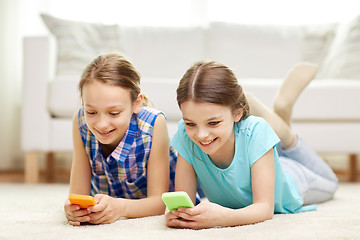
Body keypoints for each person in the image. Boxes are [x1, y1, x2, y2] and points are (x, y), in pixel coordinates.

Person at [165, 61, 338, 229]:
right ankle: (279, 124)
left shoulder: (256, 131)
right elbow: (184, 199)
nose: (201, 135)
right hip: (258, 158)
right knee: (256, 140)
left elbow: (264, 208)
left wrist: (222, 217)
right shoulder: (185, 135)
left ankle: (286, 134)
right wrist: (180, 215)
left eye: (213, 123)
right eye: (191, 124)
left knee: (331, 182)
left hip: (291, 177)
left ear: (237, 113)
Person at [64, 53, 177, 226]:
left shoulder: (153, 124)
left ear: (136, 103)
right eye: (91, 112)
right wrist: (75, 209)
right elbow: (78, 195)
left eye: (114, 113)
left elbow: (159, 201)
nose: (102, 124)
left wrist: (121, 208)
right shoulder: (80, 121)